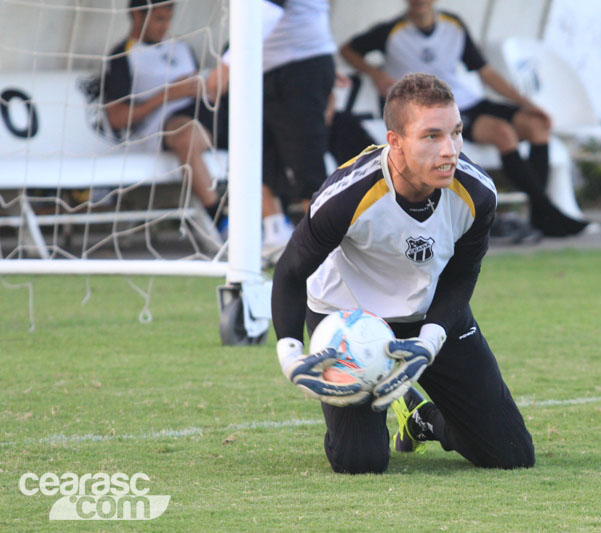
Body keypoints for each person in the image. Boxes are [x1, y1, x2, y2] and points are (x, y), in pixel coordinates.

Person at [271, 73, 535, 474]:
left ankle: (421, 419)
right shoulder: (347, 195)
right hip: (351, 320)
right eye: (431, 136)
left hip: (430, 315)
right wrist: (289, 352)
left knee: (511, 454)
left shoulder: (477, 193)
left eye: (456, 132)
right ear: (395, 142)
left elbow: (462, 275)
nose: (450, 150)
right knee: (360, 462)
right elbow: (290, 272)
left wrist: (430, 340)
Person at [339, 0, 593, 238]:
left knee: (536, 125)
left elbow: (486, 72)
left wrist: (527, 105)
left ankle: (540, 210)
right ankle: (546, 213)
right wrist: (375, 73)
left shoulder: (453, 25)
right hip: (438, 112)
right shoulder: (389, 32)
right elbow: (347, 50)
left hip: (467, 100)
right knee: (503, 132)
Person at [207, 0, 335, 264]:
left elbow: (269, 8)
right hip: (265, 67)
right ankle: (276, 236)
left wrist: (227, 63)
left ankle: (326, 251)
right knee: (255, 153)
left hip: (300, 65)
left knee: (305, 163)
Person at [102, 0, 227, 232]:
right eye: (159, 19)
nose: (165, 26)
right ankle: (220, 219)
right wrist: (168, 94)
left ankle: (273, 218)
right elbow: (116, 118)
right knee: (186, 135)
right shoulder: (123, 56)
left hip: (208, 114)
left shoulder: (182, 48)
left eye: (168, 19)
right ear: (137, 16)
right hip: (166, 125)